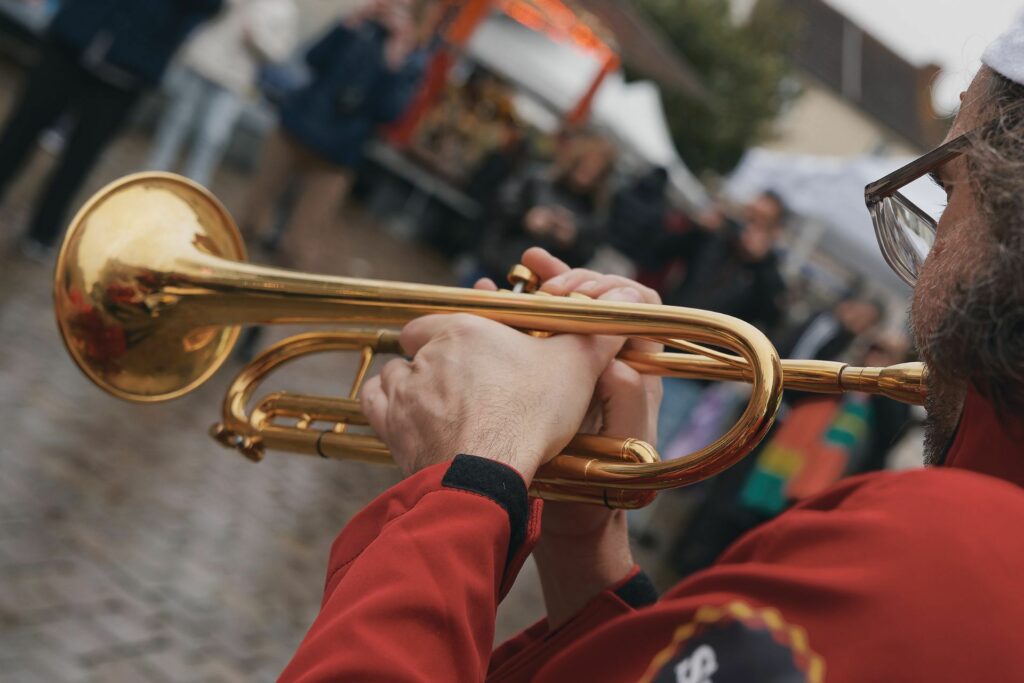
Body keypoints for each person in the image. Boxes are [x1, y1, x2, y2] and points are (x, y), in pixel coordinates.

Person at [279, 19, 1024, 681]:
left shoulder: (945, 558)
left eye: (946, 181)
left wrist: (471, 477)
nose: (925, 262)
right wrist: (587, 549)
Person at [0, 0, 223, 260]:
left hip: (131, 60)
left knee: (82, 155)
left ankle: (43, 230)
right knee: (24, 124)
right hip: (77, 32)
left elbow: (207, 6)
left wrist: (163, 33)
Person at [241, 0, 423, 254]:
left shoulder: (411, 58)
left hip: (339, 152)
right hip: (299, 126)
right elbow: (313, 57)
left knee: (298, 245)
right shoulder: (358, 27)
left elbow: (390, 113)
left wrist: (394, 61)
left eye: (402, 8)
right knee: (251, 216)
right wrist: (349, 24)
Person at [145, 0, 298, 187]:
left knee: (213, 134)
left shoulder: (285, 9)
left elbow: (279, 53)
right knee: (178, 119)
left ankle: (196, 183)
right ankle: (155, 169)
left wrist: (256, 38)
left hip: (234, 78)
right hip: (202, 61)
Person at [472, 134, 615, 285]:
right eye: (586, 165)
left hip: (536, 285)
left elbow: (586, 256)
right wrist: (526, 218)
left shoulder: (595, 213)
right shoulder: (540, 179)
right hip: (496, 263)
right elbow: (500, 203)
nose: (589, 172)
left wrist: (572, 241)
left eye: (596, 169)